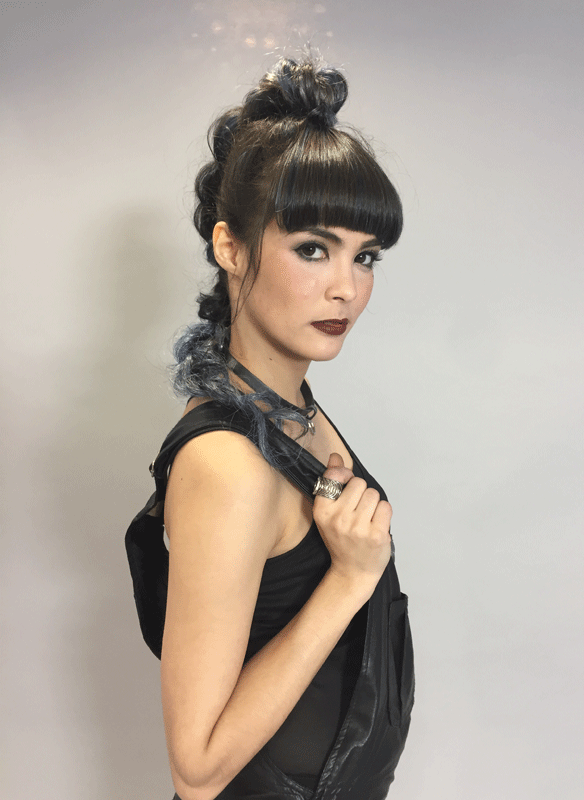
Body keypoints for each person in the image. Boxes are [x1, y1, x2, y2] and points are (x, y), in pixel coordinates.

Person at [134, 55, 414, 800]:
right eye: (313, 249)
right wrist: (349, 578)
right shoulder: (227, 464)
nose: (346, 288)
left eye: (365, 256)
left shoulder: (288, 406)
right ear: (230, 247)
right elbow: (196, 770)